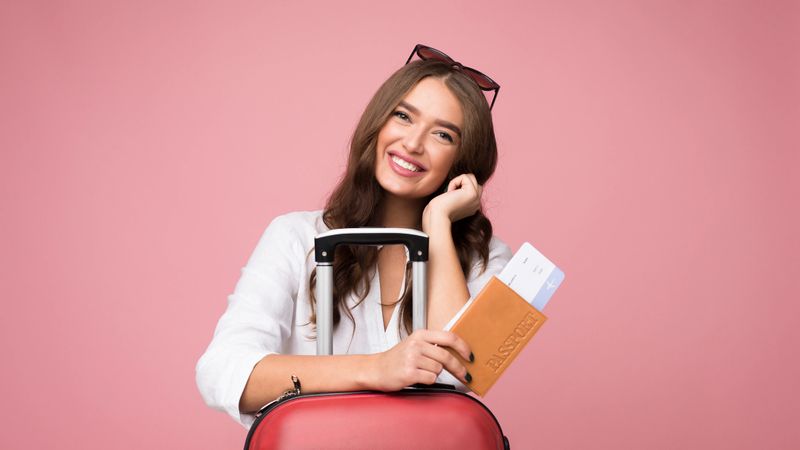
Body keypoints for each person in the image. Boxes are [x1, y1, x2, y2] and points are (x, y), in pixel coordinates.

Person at [195, 44, 513, 428]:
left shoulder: (489, 260)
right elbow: (221, 371)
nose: (413, 143)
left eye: (443, 135)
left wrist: (438, 223)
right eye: (403, 116)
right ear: (377, 123)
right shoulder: (296, 237)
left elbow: (460, 374)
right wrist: (374, 369)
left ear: (464, 160)